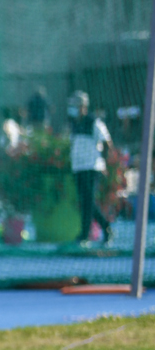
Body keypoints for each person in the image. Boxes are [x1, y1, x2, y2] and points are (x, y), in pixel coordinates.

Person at [68, 90, 113, 246]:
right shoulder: (74, 124)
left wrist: (103, 163)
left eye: (76, 105)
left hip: (92, 167)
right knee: (87, 201)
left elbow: (107, 142)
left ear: (83, 106)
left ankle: (84, 235)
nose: (73, 108)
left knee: (88, 200)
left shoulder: (94, 122)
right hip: (78, 168)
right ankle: (106, 227)